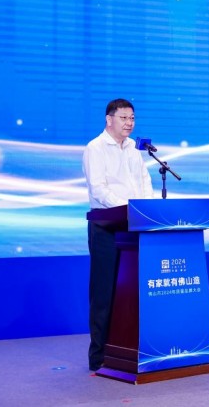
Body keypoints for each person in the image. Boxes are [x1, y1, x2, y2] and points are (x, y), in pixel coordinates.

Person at [82, 98, 155, 371]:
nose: (129, 123)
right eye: (124, 118)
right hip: (106, 226)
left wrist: (146, 209)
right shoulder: (95, 148)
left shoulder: (134, 150)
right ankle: (99, 356)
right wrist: (127, 209)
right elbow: (98, 189)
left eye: (132, 118)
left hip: (134, 226)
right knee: (104, 291)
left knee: (131, 291)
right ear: (109, 119)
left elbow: (145, 183)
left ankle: (128, 351)